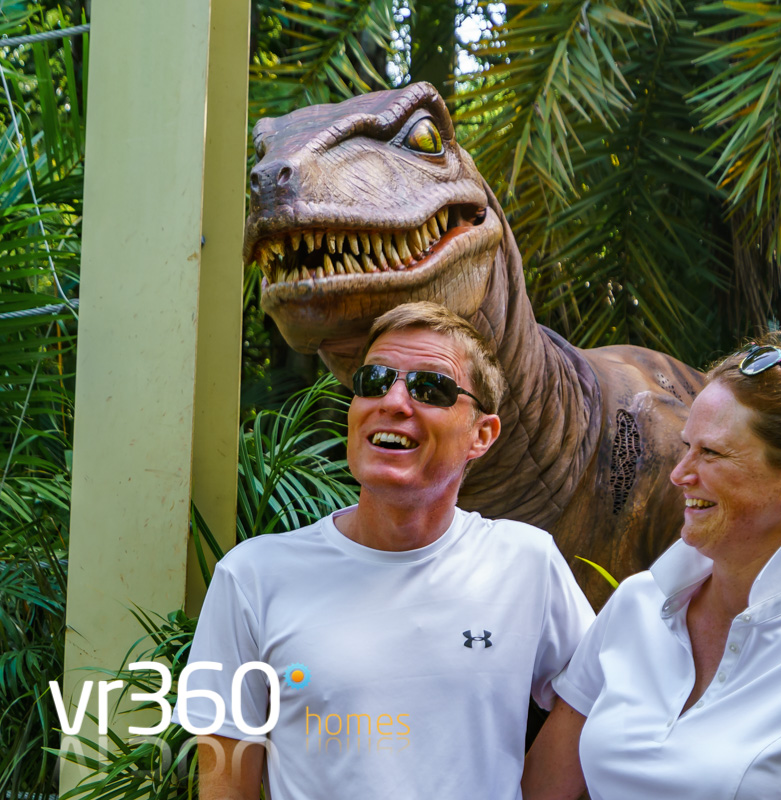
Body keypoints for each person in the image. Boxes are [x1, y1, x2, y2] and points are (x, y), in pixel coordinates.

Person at [178, 301, 595, 799]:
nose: (394, 401)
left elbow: (596, 690)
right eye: (374, 380)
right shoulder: (252, 577)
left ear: (481, 435)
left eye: (430, 388)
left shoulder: (526, 562)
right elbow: (225, 783)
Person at [522, 336, 781, 800]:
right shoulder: (635, 605)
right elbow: (541, 790)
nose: (680, 474)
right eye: (686, 447)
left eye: (712, 454)